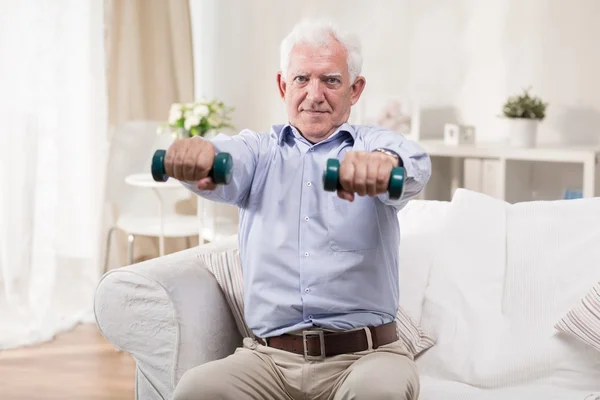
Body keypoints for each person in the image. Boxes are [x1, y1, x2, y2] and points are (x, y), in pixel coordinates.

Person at [168, 18, 431, 400]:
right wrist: (201, 157)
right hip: (269, 361)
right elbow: (225, 159)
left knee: (378, 392)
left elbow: (414, 163)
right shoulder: (258, 152)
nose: (315, 94)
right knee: (196, 390)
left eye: (331, 80)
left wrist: (386, 164)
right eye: (302, 79)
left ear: (355, 90)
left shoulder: (372, 143)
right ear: (282, 85)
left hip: (365, 358)